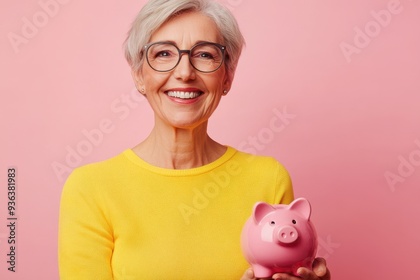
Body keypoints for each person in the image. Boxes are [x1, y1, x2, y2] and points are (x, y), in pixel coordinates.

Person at [58, 0, 330, 279]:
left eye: (204, 55)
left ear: (227, 76)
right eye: (163, 53)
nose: (185, 72)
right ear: (139, 75)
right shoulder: (90, 189)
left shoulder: (269, 179)